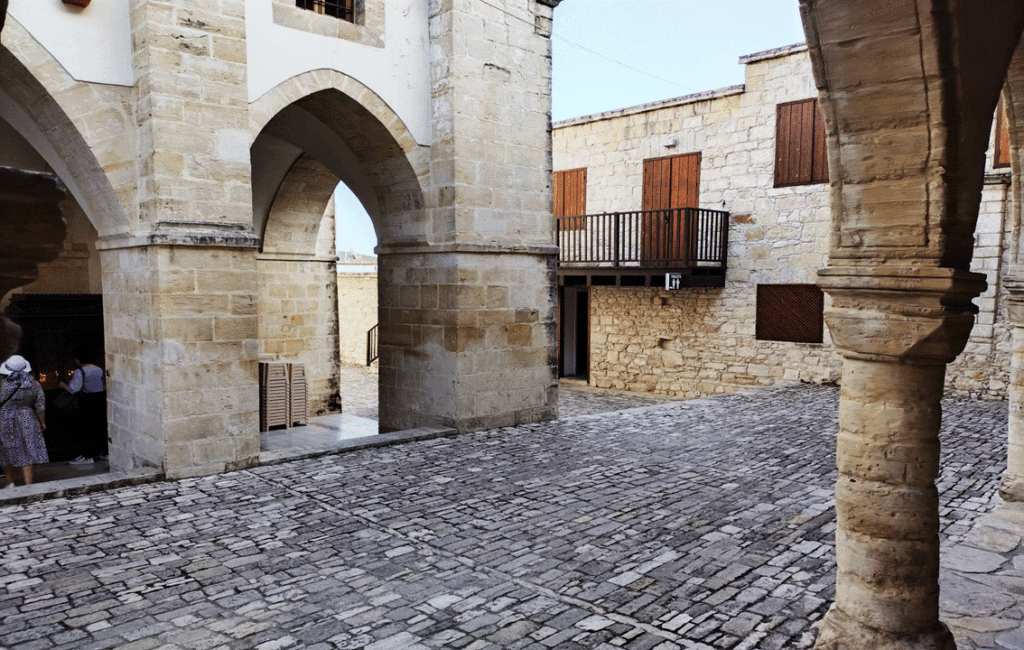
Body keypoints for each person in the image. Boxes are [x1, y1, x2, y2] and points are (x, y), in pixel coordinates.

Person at [0, 355, 48, 488]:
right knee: (27, 450)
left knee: (5, 451)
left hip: (4, 417)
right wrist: (42, 422)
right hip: (27, 417)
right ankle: (28, 484)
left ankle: (10, 483)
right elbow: (40, 405)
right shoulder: (34, 384)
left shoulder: (2, 385)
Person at [59, 351, 107, 464]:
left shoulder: (80, 371)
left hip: (86, 402)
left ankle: (86, 456)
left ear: (78, 360)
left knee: (85, 429)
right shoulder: (99, 369)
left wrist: (62, 385)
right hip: (99, 400)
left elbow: (74, 389)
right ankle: (103, 452)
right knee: (99, 427)